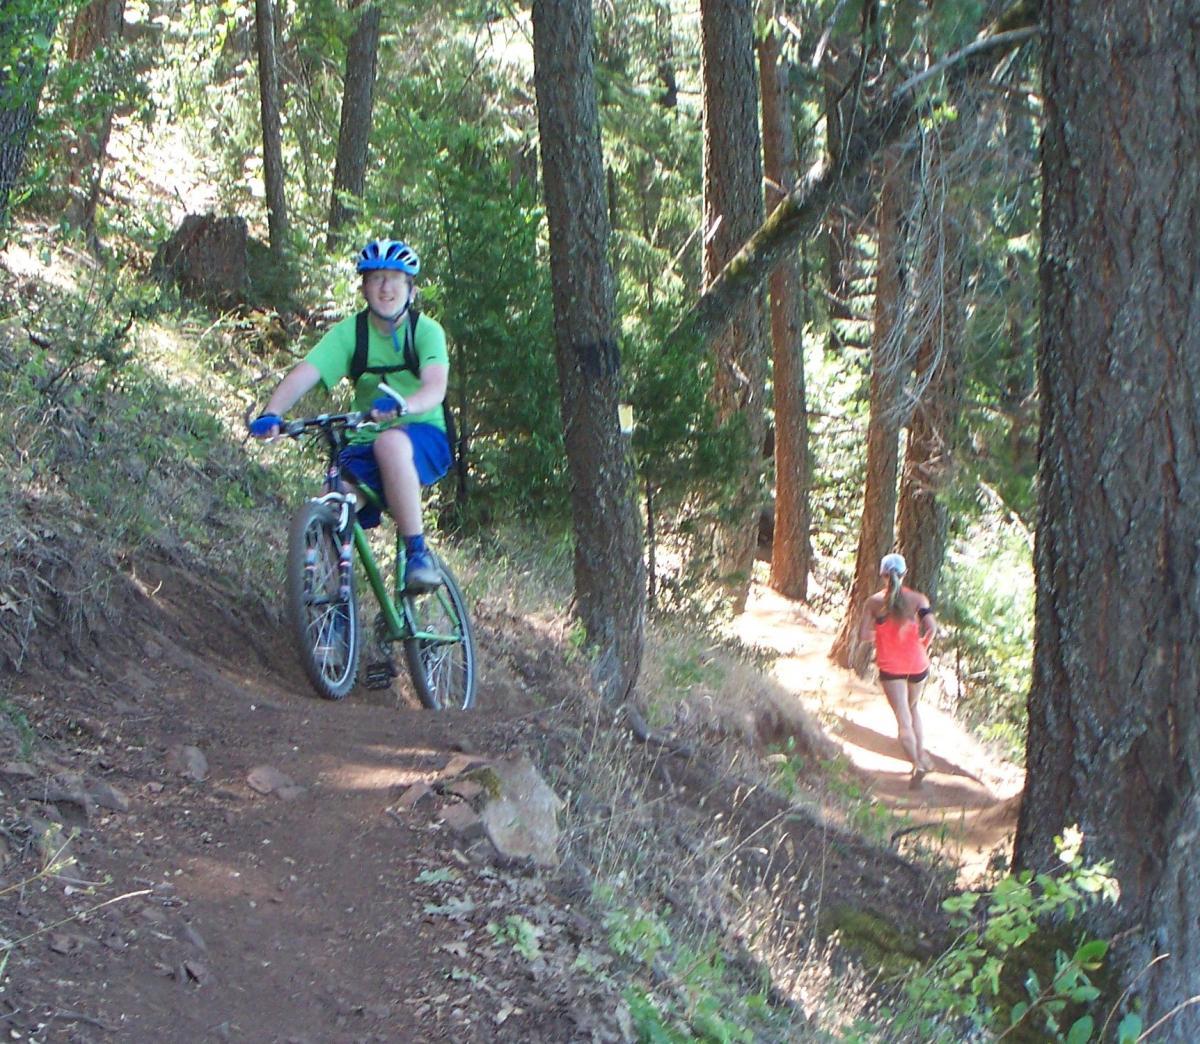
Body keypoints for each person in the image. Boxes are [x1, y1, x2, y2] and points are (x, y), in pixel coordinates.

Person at [248, 238, 450, 593]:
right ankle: (333, 609)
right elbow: (305, 373)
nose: (385, 287)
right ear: (364, 287)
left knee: (390, 442)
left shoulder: (426, 331)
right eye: (375, 279)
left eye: (394, 278)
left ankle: (418, 555)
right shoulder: (351, 334)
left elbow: (435, 387)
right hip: (364, 443)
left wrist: (404, 406)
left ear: (410, 288)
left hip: (423, 437)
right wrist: (273, 412)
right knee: (336, 500)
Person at [857, 552, 939, 786]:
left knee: (903, 719)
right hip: (917, 663)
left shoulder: (873, 603)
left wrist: (883, 635)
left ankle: (916, 763)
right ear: (904, 573)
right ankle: (920, 755)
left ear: (882, 575)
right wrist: (921, 645)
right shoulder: (918, 600)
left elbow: (863, 636)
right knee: (914, 708)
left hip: (891, 665)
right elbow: (931, 628)